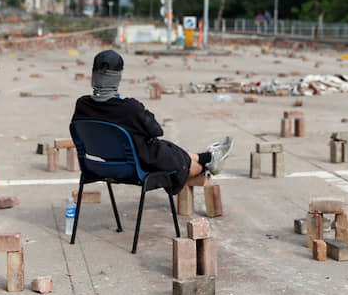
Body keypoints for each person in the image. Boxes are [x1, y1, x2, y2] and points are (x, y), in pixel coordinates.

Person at [71, 50, 233, 194]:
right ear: (118, 77)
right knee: (182, 162)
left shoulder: (82, 105)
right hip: (137, 166)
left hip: (101, 165)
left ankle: (208, 156)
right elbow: (155, 130)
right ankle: (209, 164)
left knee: (172, 150)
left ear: (93, 74)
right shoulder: (129, 108)